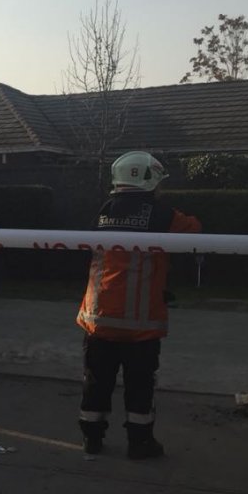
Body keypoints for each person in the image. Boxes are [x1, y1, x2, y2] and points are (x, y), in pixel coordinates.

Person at [75, 151, 201, 459]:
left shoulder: (103, 211)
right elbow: (195, 230)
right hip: (140, 326)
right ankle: (140, 442)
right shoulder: (161, 214)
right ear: (151, 180)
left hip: (98, 319)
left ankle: (92, 438)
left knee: (96, 382)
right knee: (140, 385)